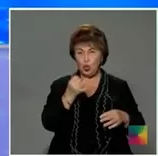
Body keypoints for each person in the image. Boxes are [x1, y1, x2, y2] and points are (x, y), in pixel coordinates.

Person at [41, 24, 146, 154]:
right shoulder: (61, 85)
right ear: (74, 57)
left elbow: (140, 138)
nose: (86, 59)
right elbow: (48, 124)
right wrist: (68, 96)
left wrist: (125, 118)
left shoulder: (118, 86)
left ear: (102, 56)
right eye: (80, 52)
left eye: (92, 52)